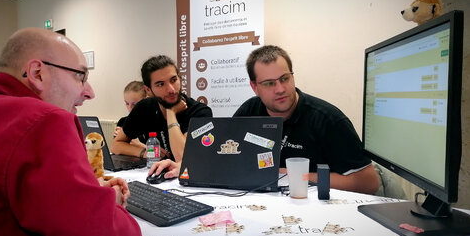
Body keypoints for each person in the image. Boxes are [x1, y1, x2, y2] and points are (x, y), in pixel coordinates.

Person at [0, 28, 143, 236]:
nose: (90, 93)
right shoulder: (46, 120)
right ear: (37, 73)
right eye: (80, 76)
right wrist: (110, 201)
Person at [233, 45, 379, 194]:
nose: (280, 89)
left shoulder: (328, 120)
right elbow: (227, 160)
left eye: (285, 79)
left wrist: (296, 176)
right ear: (254, 87)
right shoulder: (248, 111)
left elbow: (368, 183)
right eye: (269, 83)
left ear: (292, 76)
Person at [111, 55, 212, 162]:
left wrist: (171, 113)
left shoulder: (200, 112)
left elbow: (182, 157)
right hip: (154, 173)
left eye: (173, 80)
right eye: (160, 84)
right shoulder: (144, 107)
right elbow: (116, 145)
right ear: (148, 90)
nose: (171, 89)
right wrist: (145, 152)